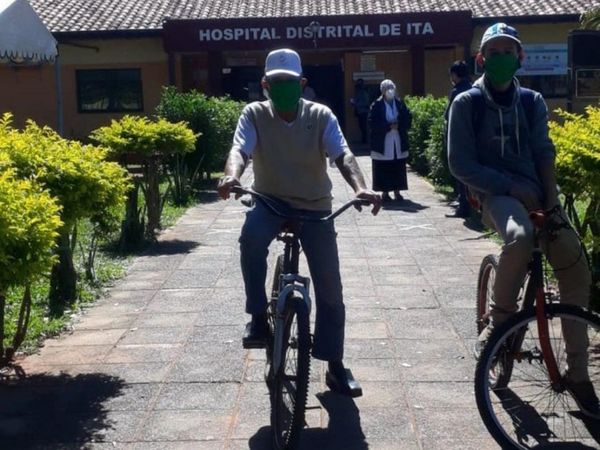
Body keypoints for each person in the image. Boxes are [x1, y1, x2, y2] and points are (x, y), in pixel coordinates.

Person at [447, 23, 598, 418]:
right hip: (495, 195)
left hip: (536, 192)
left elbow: (544, 153)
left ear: (520, 57)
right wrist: (508, 187)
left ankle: (579, 374)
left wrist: (552, 205)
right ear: (481, 59)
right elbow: (459, 163)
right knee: (518, 237)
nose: (499, 58)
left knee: (575, 266)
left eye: (506, 51)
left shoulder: (531, 102)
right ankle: (497, 328)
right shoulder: (468, 103)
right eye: (492, 52)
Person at [217, 48, 381, 398]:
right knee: (250, 239)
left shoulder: (321, 116)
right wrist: (231, 177)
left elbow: (343, 155)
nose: (283, 89)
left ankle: (334, 365)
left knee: (330, 289)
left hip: (316, 207)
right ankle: (258, 316)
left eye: (290, 83)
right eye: (276, 83)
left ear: (302, 84)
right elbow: (239, 151)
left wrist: (361, 188)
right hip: (269, 201)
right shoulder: (254, 114)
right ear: (265, 84)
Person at [368, 79, 412, 203]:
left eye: (392, 87)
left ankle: (397, 191)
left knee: (398, 165)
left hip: (397, 139)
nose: (390, 91)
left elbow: (408, 118)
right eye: (388, 88)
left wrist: (399, 125)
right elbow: (372, 123)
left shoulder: (399, 103)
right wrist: (388, 126)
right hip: (383, 141)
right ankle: (385, 192)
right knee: (383, 167)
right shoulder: (376, 105)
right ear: (382, 91)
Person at [444, 60, 472, 218]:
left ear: (455, 74)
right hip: (473, 138)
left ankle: (463, 207)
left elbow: (449, 115)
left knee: (460, 173)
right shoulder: (474, 88)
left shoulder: (457, 91)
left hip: (458, 138)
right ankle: (467, 202)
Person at [351, 78, 370, 143]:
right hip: (360, 111)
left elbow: (365, 103)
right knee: (361, 126)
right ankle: (364, 139)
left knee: (363, 126)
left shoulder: (363, 92)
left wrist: (355, 103)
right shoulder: (359, 92)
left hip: (363, 111)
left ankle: (365, 140)